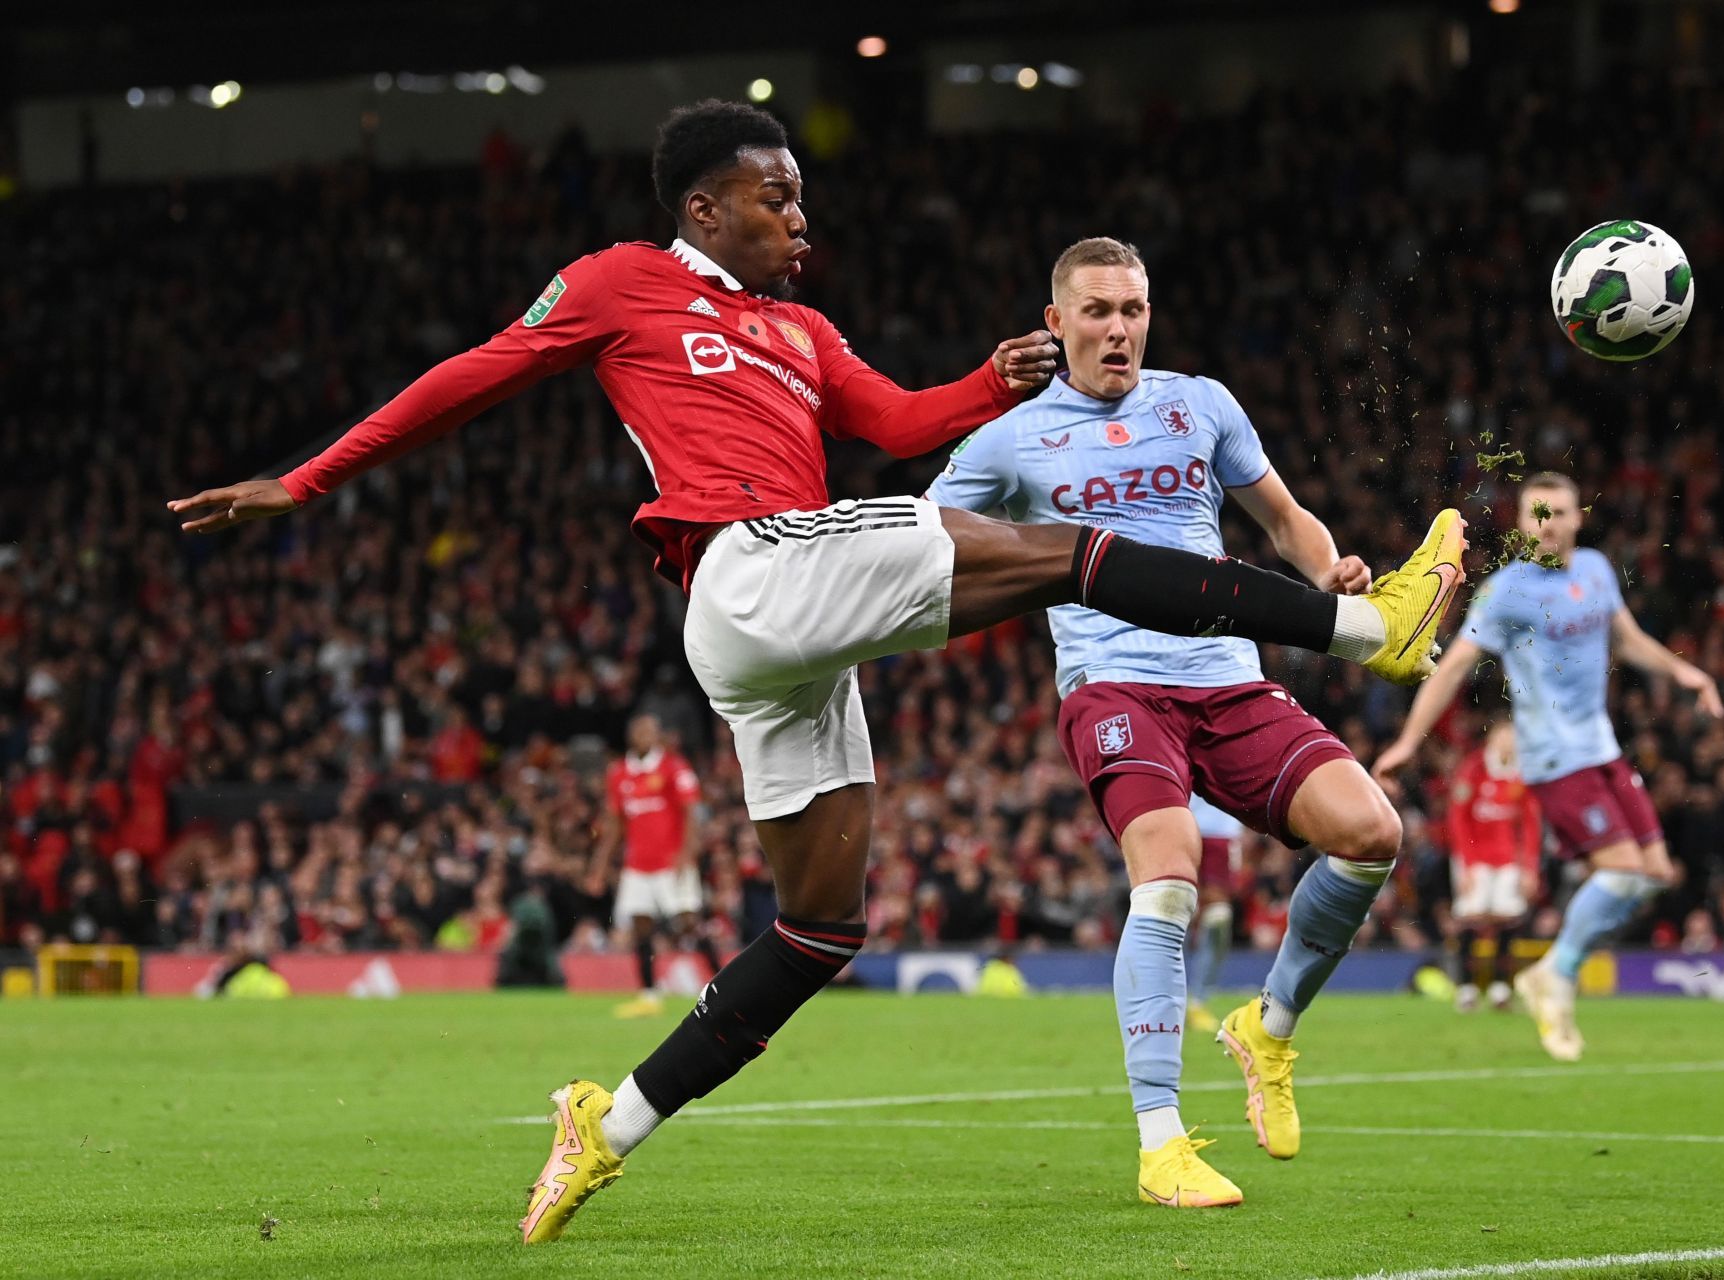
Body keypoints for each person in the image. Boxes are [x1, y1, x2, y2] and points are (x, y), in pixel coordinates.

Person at [169, 105, 1463, 1242]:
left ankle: (602, 1125)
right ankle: (1367, 634)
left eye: (800, 191)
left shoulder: (800, 327)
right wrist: (308, 479)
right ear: (702, 207)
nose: (801, 211)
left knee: (823, 923)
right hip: (744, 568)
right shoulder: (622, 282)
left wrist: (982, 385)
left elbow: (897, 422)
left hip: (793, 622)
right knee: (1070, 556)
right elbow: (475, 376)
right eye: (775, 193)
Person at [930, 237, 1466, 1207]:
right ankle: (1162, 1141)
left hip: (1227, 679)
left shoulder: (1201, 403)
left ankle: (1268, 1027)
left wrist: (1327, 571)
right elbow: (927, 538)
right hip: (1114, 684)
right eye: (1097, 310)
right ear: (1056, 324)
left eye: (1133, 308)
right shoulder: (1012, 438)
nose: (1119, 328)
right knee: (1170, 869)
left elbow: (1283, 516)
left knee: (1371, 832)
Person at [1373, 472, 1722, 1060]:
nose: (1550, 524)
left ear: (1578, 517)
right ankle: (1554, 975)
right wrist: (1410, 740)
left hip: (1602, 748)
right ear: (1521, 524)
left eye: (1559, 513)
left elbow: (1628, 640)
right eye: (1538, 514)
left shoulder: (1596, 571)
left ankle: (1552, 971)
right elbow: (1456, 664)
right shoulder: (1507, 593)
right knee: (1622, 872)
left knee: (1656, 871)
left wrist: (1683, 671)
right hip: (1554, 757)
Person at [601, 713, 715, 1019]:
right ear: (630, 735)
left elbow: (692, 812)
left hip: (671, 863)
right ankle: (649, 996)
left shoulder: (673, 767)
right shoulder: (619, 773)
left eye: (650, 731)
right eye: (639, 730)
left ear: (657, 735)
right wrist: (599, 866)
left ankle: (723, 985)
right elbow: (615, 824)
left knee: (689, 923)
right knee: (641, 928)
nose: (644, 735)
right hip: (637, 865)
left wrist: (686, 854)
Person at [1442, 717, 1541, 1012]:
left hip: (1509, 859)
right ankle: (1466, 988)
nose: (1509, 742)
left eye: (1513, 737)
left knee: (1506, 919)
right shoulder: (1474, 768)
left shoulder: (1522, 774)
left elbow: (1531, 825)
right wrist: (1466, 865)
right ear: (1493, 738)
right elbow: (1458, 819)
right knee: (1472, 918)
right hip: (1475, 859)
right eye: (1504, 736)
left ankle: (1500, 988)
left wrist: (1530, 868)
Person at [1184, 795, 1242, 1034]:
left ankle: (1193, 1002)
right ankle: (1191, 1001)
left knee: (1215, 917)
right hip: (1195, 829)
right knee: (1190, 914)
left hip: (1209, 831)